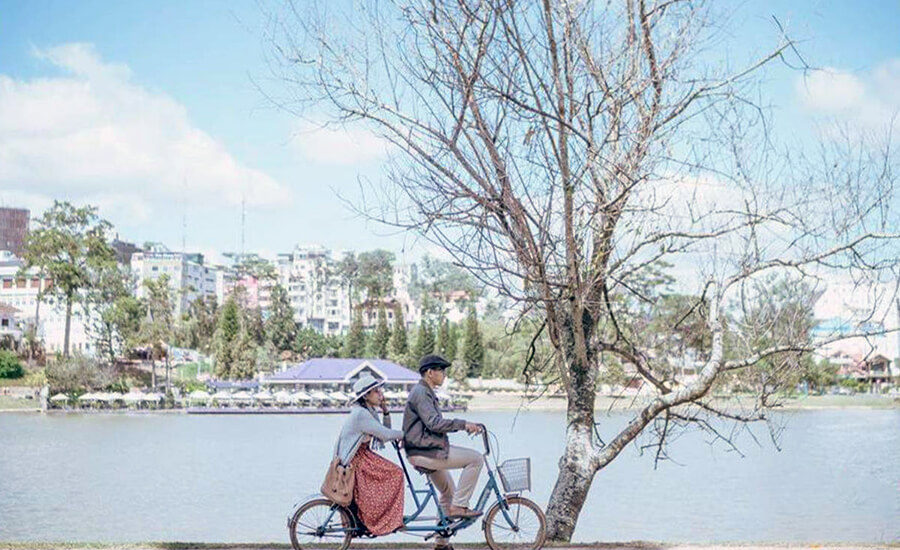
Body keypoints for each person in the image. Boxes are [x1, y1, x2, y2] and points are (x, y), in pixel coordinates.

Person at [403, 354, 485, 549]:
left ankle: (441, 543)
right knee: (476, 459)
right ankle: (460, 506)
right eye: (441, 371)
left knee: (448, 493)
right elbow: (433, 423)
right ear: (430, 373)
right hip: (426, 452)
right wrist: (464, 424)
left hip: (424, 450)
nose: (444, 375)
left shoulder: (425, 392)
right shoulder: (421, 393)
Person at [334, 374, 405, 535]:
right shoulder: (361, 415)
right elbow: (386, 435)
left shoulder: (368, 411)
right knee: (396, 473)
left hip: (363, 456)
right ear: (366, 396)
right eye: (376, 392)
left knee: (393, 474)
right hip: (357, 461)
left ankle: (382, 518)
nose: (381, 395)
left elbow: (382, 434)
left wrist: (386, 411)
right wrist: (406, 434)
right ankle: (382, 520)